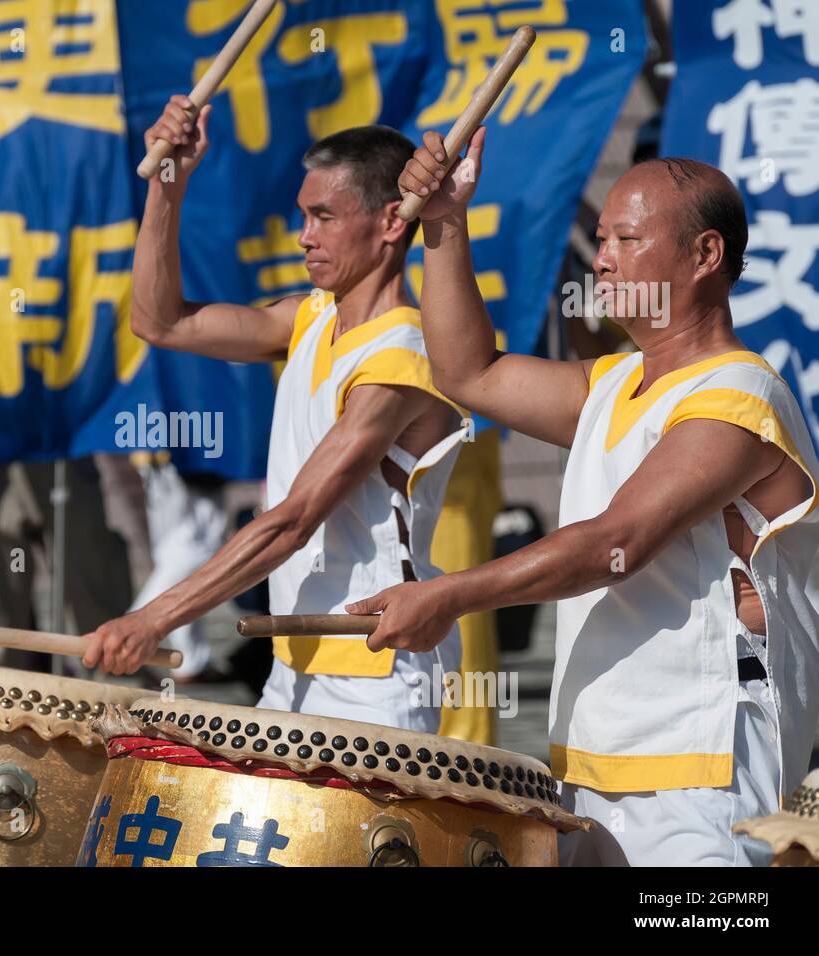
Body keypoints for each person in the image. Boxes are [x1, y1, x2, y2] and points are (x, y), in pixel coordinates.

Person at [350, 126, 819, 865]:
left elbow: (614, 545)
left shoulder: (739, 395)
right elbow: (467, 372)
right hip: (593, 766)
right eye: (601, 238)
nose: (602, 259)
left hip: (702, 773)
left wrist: (447, 597)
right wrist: (444, 222)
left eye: (627, 239)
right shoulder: (611, 385)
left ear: (704, 256)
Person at [82, 95, 464, 730]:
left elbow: (293, 521)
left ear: (393, 221)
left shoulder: (402, 354)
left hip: (377, 669)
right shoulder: (310, 315)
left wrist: (156, 616)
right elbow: (160, 321)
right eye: (303, 216)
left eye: (323, 217)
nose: (303, 235)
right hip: (297, 660)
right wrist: (168, 183)